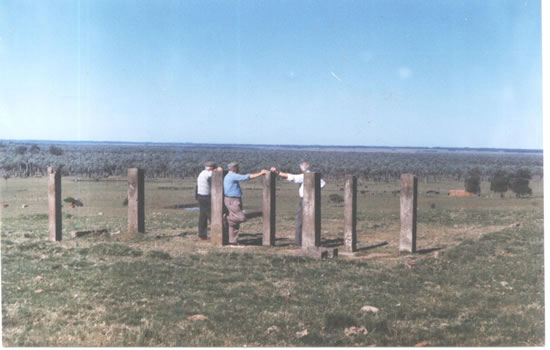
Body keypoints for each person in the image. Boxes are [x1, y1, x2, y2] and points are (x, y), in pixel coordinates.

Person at [270, 162, 326, 246]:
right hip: (314, 200)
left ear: (301, 169)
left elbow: (291, 177)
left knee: (300, 221)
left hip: (305, 200)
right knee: (313, 220)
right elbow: (323, 184)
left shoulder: (304, 176)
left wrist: (276, 172)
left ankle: (299, 242)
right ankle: (312, 240)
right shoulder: (314, 175)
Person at [223, 162, 268, 245]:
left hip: (234, 199)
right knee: (241, 218)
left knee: (234, 224)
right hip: (232, 200)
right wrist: (260, 173)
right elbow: (246, 177)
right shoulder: (232, 175)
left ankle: (232, 241)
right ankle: (226, 219)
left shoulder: (230, 175)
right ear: (234, 168)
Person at [195, 161, 222, 240]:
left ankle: (202, 235)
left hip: (200, 196)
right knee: (212, 216)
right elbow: (217, 173)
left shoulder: (202, 173)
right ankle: (216, 235)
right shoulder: (208, 174)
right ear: (212, 168)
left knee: (203, 216)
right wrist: (218, 169)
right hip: (206, 197)